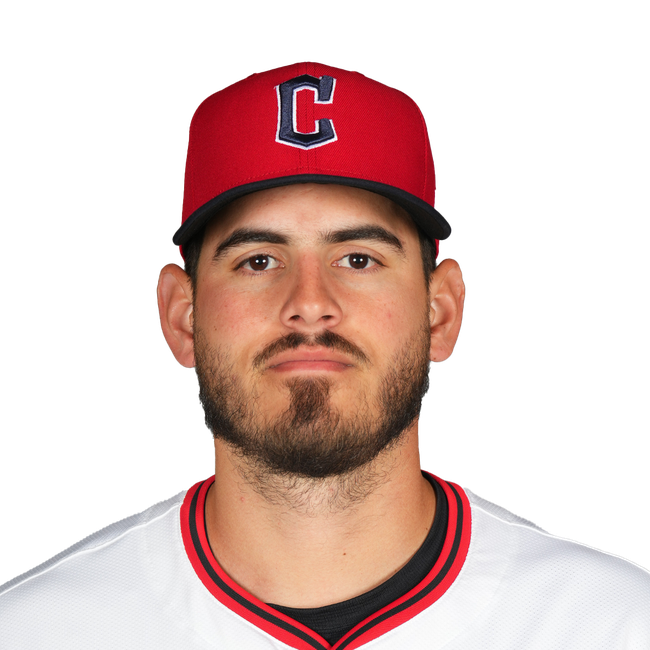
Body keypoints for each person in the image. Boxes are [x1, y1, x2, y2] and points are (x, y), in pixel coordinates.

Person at [1, 61, 648, 650]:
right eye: (259, 260)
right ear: (181, 316)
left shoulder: (615, 625)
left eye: (358, 259)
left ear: (442, 311)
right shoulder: (36, 632)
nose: (310, 305)